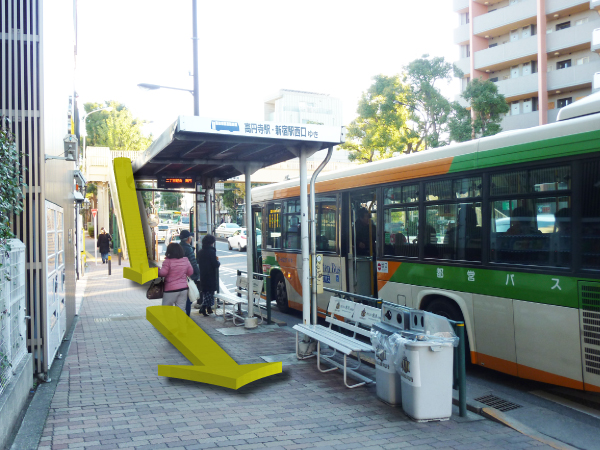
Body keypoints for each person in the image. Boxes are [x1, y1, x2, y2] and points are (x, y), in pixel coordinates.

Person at [157, 243, 193, 312]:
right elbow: (190, 272)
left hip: (170, 290)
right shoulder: (185, 260)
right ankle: (181, 322)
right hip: (183, 289)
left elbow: (162, 273)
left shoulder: (167, 261)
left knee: (167, 310)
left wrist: (157, 270)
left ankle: (169, 323)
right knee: (181, 310)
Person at [197, 234, 220, 317]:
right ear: (211, 243)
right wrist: (218, 262)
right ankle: (203, 307)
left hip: (203, 274)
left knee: (206, 292)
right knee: (210, 292)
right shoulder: (211, 252)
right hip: (210, 275)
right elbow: (215, 264)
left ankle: (209, 308)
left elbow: (198, 262)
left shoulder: (200, 252)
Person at [179, 229, 200, 316]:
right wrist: (197, 274)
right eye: (190, 237)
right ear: (188, 239)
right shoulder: (188, 249)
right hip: (187, 276)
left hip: (178, 276)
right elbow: (193, 262)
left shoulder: (178, 247)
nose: (191, 238)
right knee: (188, 298)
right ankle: (186, 317)